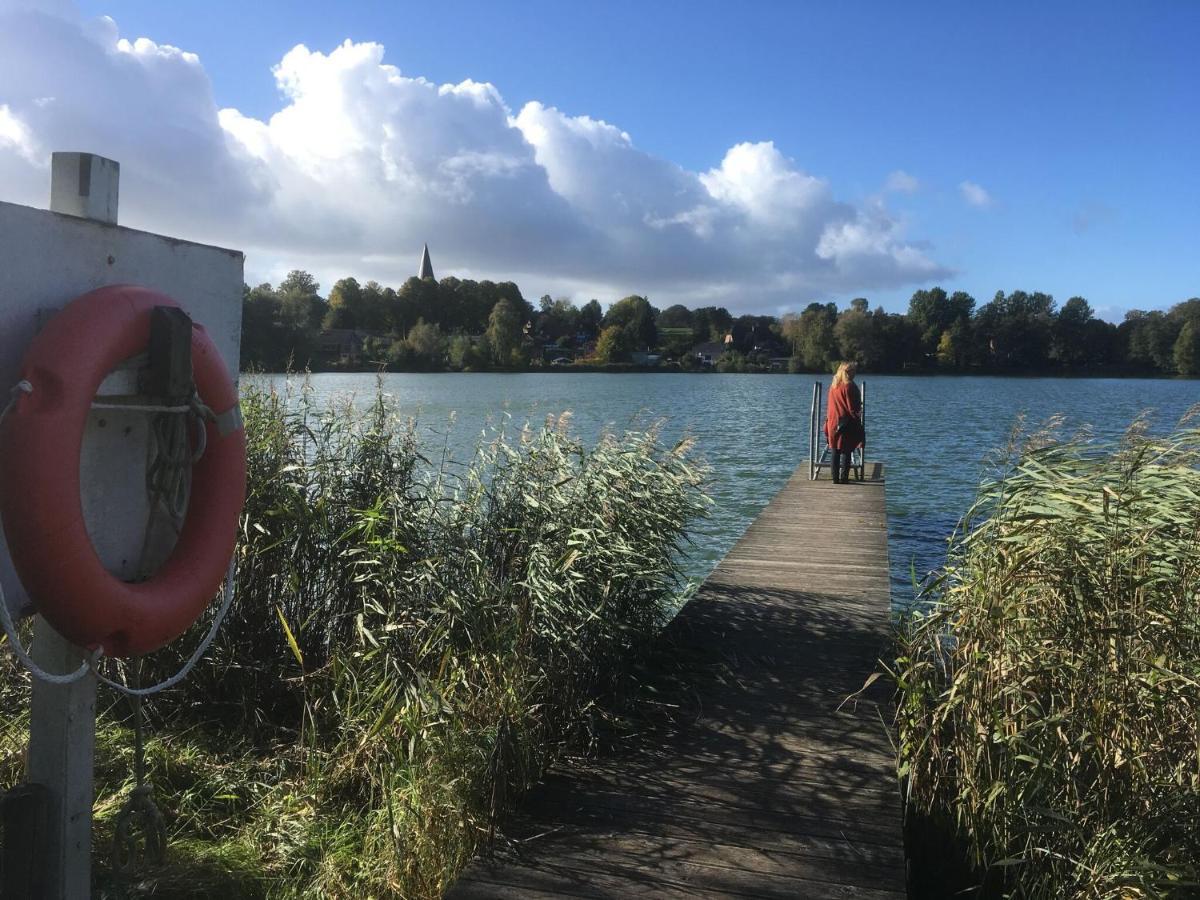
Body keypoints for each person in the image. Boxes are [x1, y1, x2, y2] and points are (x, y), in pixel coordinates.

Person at [824, 362, 863, 484]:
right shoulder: (849, 386)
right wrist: (857, 417)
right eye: (853, 371)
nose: (855, 374)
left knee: (835, 450)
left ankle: (835, 479)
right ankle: (844, 478)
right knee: (846, 450)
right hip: (845, 422)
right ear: (848, 372)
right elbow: (851, 407)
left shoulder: (833, 386)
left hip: (832, 422)